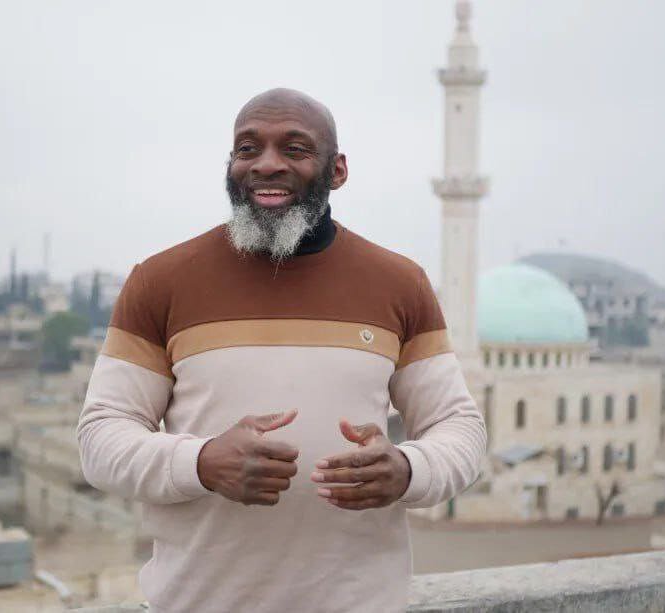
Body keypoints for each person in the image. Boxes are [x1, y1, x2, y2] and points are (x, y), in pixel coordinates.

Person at [77, 88, 487, 613]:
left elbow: (459, 427)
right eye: (248, 148)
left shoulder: (399, 284)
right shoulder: (160, 282)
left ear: (337, 170)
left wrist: (408, 470)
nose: (266, 164)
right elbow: (101, 437)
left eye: (294, 149)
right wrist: (202, 462)